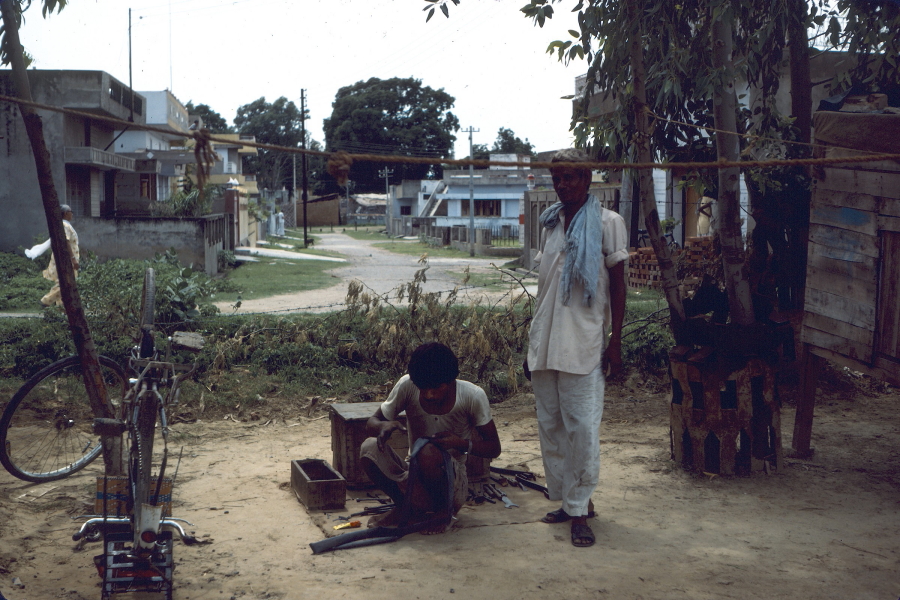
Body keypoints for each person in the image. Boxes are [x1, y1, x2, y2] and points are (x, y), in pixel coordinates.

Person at [526, 148, 628, 548]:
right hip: (545, 342)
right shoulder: (550, 222)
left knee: (582, 429)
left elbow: (618, 286)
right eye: (557, 178)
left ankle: (581, 507)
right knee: (551, 425)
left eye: (571, 177)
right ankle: (569, 502)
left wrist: (616, 340)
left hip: (584, 342)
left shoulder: (608, 222)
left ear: (587, 179)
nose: (563, 184)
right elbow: (543, 290)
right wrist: (531, 345)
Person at [359, 342, 501, 533]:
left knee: (427, 451)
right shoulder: (407, 386)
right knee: (369, 448)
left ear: (451, 380)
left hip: (452, 482)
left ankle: (443, 512)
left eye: (436, 388)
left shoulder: (472, 396)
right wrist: (382, 426)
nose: (429, 395)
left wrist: (460, 444)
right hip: (414, 475)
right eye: (422, 388)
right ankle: (406, 507)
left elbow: (494, 448)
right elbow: (372, 422)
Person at [40, 204, 80, 308]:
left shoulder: (64, 225)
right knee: (66, 283)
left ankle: (62, 307)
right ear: (66, 213)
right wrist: (73, 259)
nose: (72, 214)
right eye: (71, 212)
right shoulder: (64, 226)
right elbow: (66, 242)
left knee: (65, 282)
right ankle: (46, 301)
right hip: (67, 259)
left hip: (66, 258)